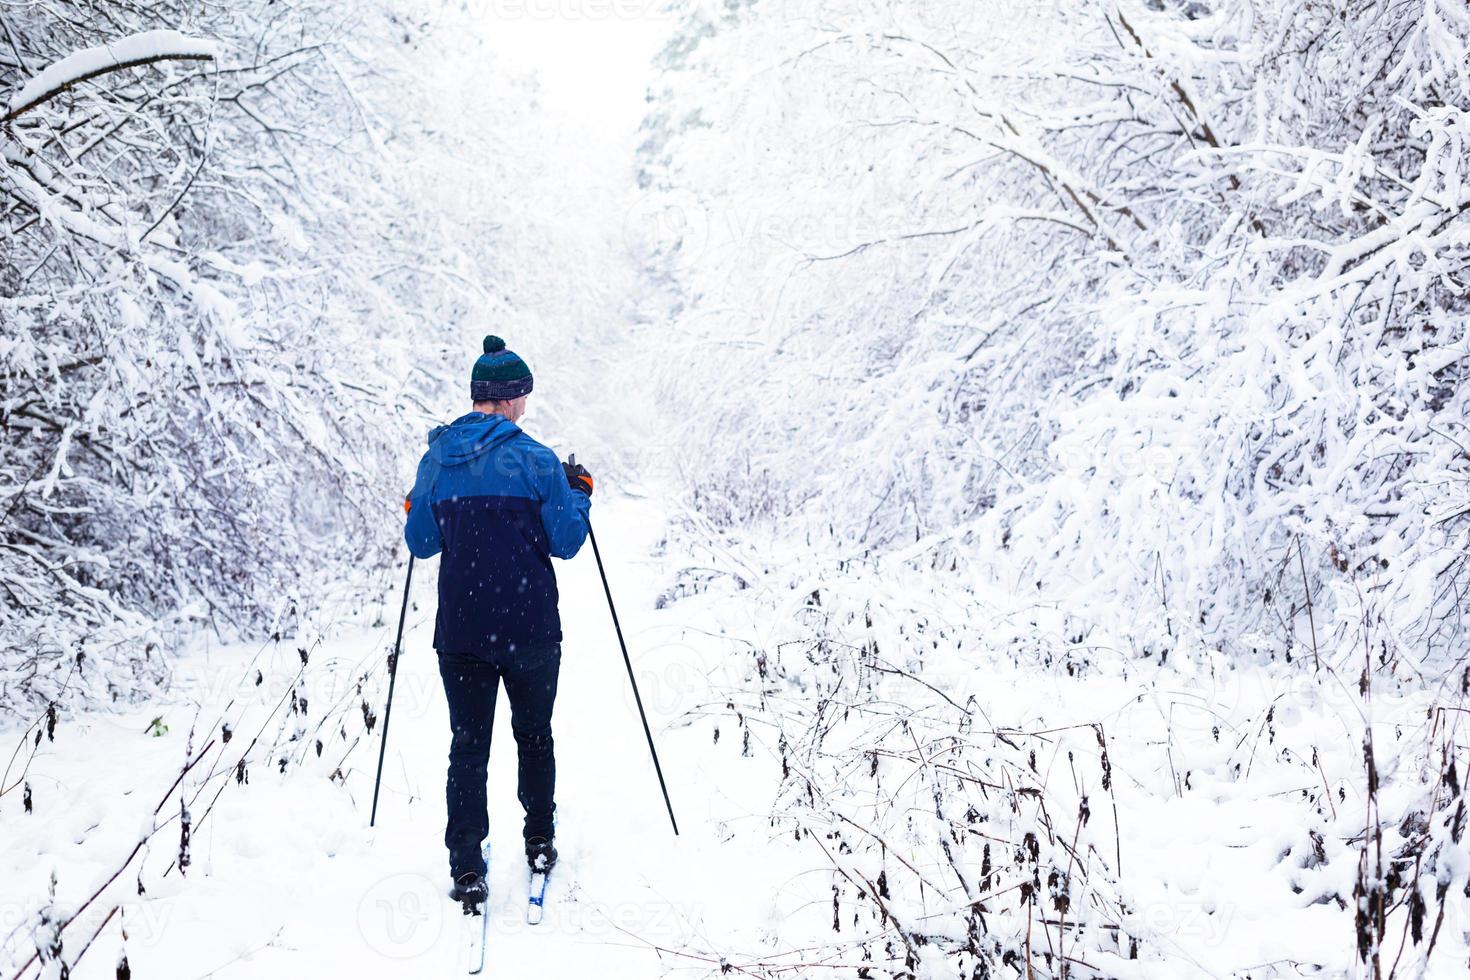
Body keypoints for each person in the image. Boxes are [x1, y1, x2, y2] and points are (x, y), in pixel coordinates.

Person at [404, 335, 594, 903]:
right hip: (531, 628)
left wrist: (421, 503)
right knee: (534, 737)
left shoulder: (438, 459)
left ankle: (466, 862)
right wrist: (579, 492)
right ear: (510, 399)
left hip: (462, 631)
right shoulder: (536, 460)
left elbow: (421, 542)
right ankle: (539, 841)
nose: (527, 407)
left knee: (468, 746)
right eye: (525, 397)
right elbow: (565, 541)